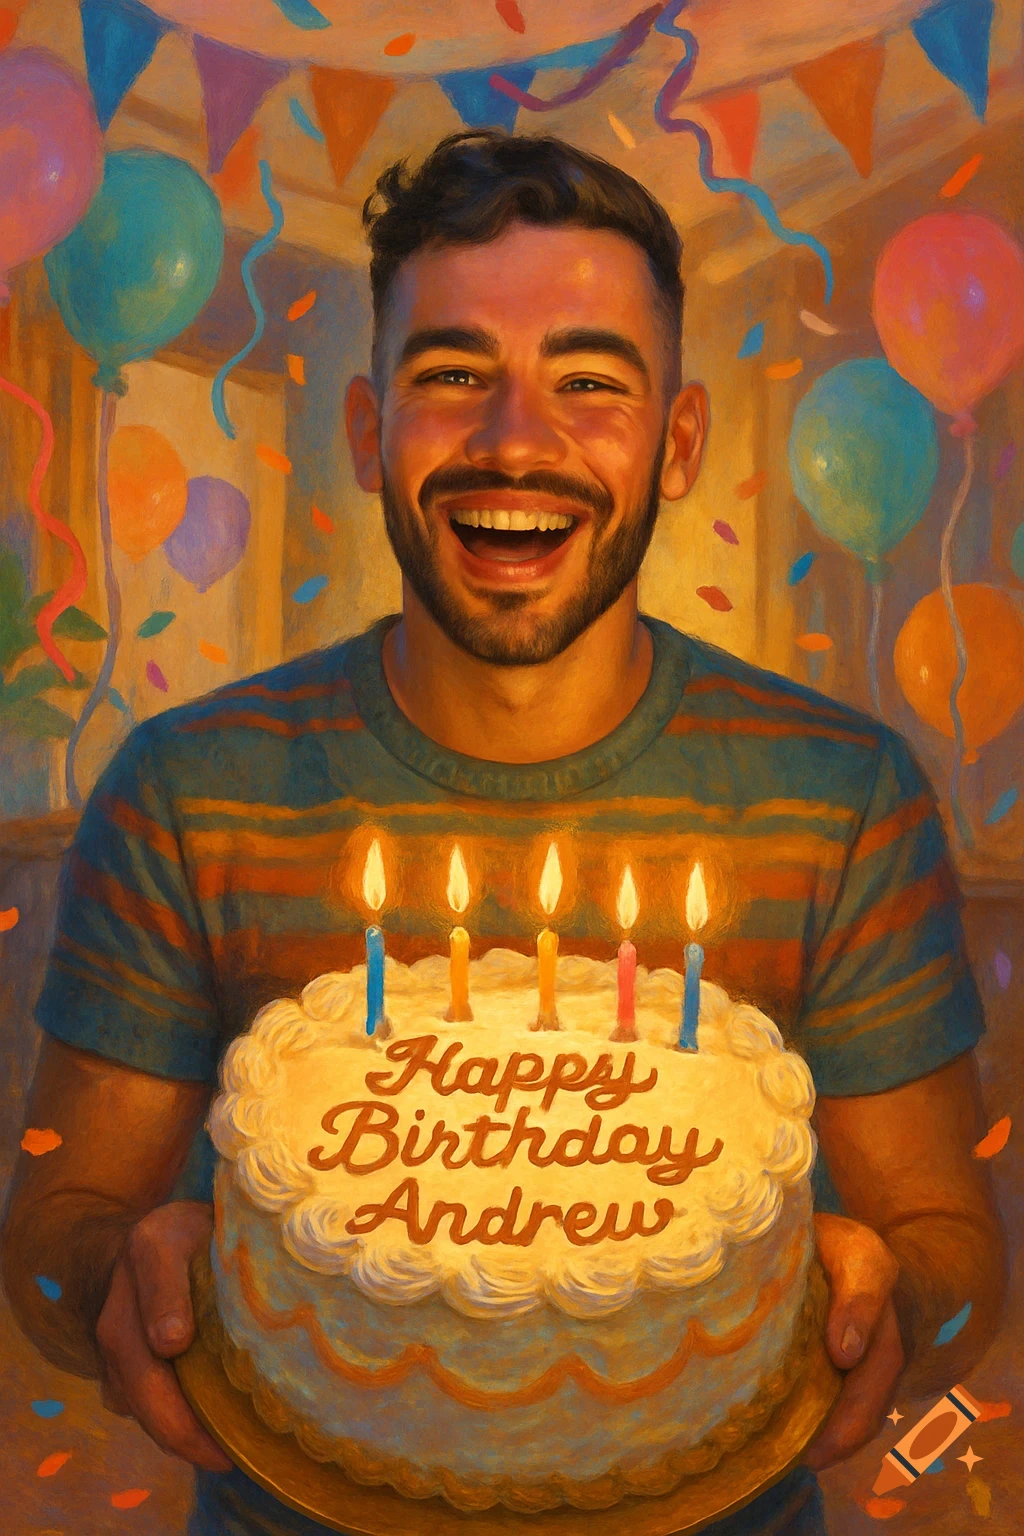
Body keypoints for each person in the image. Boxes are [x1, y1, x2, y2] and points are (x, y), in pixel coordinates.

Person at [2, 131, 1005, 1536]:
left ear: (681, 441)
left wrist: (875, 1295)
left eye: (589, 382)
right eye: (451, 375)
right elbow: (55, 1232)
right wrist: (125, 1268)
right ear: (368, 433)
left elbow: (951, 1252)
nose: (515, 440)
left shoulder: (842, 791)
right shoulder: (187, 786)